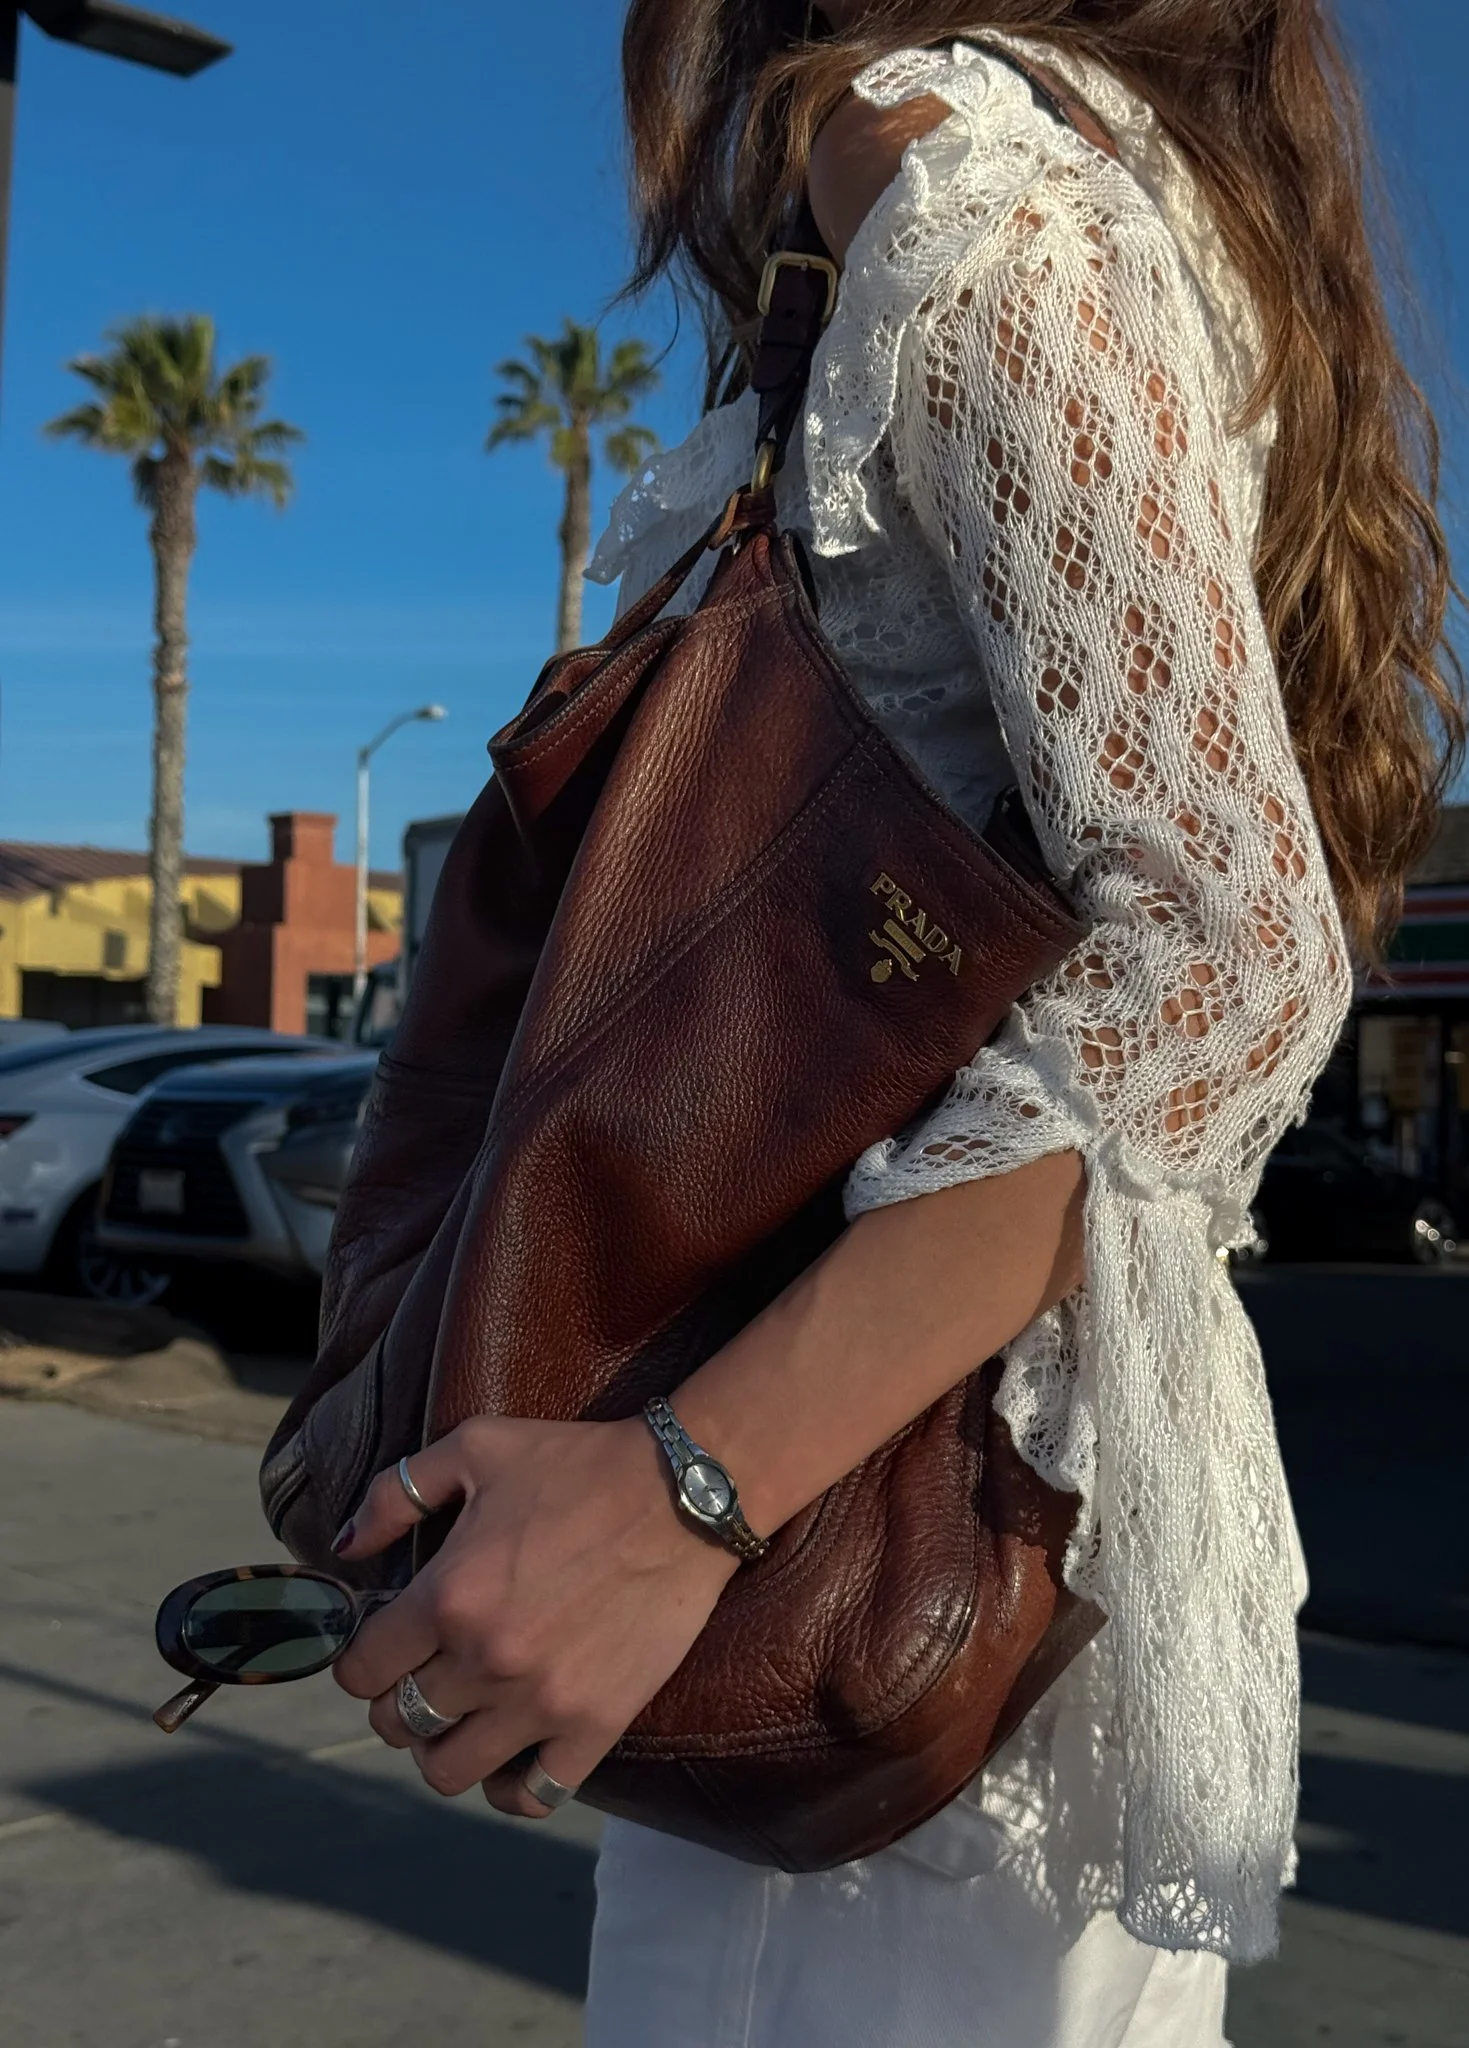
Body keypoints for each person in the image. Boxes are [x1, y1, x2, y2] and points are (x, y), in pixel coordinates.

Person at [329, 4, 1463, 2042]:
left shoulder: (935, 151)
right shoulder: (1151, 210)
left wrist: (688, 1481)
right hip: (985, 1524)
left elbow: (1226, 944)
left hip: (859, 1527)